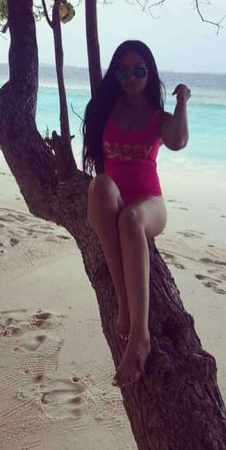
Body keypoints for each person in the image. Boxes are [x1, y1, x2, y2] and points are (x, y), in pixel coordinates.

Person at [82, 40, 190, 387]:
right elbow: (97, 161)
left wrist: (182, 101)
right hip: (115, 198)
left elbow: (178, 142)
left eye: (139, 70)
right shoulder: (104, 109)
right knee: (100, 184)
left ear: (150, 73)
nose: (131, 76)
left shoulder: (158, 118)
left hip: (149, 203)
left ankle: (140, 335)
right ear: (115, 74)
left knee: (130, 219)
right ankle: (124, 303)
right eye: (124, 70)